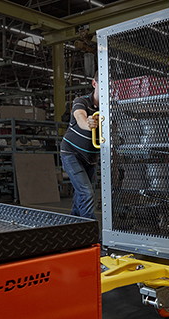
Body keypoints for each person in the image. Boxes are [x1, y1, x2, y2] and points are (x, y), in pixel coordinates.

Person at [60, 71, 100, 219]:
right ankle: (91, 233)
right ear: (94, 84)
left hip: (91, 158)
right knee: (86, 193)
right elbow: (80, 117)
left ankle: (74, 227)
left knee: (80, 194)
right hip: (72, 154)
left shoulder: (109, 107)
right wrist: (88, 124)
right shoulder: (81, 101)